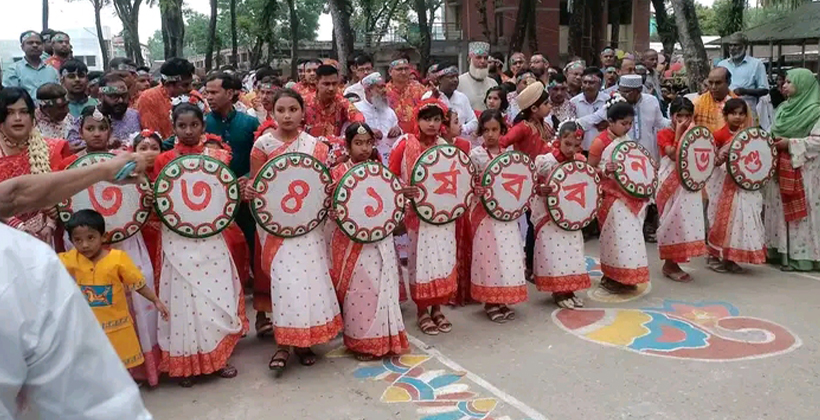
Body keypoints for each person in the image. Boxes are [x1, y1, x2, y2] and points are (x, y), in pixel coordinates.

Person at [0, 152, 154, 420]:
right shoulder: (23, 264)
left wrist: (105, 170)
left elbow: (14, 196)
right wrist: (105, 170)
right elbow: (93, 405)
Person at [149, 103, 248, 387]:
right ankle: (185, 365)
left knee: (213, 297)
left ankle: (217, 359)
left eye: (194, 125)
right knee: (182, 300)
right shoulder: (163, 160)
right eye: (182, 126)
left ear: (203, 127)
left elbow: (224, 196)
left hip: (212, 238)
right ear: (174, 128)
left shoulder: (218, 156)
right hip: (177, 239)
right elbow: (161, 202)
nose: (189, 131)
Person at [249, 89, 342, 373]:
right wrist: (249, 191)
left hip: (309, 227)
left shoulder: (316, 146)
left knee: (308, 282)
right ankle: (283, 343)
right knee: (284, 284)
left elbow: (322, 188)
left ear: (303, 112)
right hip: (278, 229)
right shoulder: (262, 146)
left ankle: (304, 342)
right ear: (272, 113)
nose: (287, 116)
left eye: (293, 109)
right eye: (281, 110)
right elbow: (257, 187)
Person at [327, 122, 410, 361]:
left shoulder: (378, 170)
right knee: (360, 290)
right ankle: (362, 343)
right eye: (358, 143)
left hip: (379, 242)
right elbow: (330, 209)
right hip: (351, 243)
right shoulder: (337, 173)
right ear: (347, 145)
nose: (364, 148)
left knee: (381, 288)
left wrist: (404, 195)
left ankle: (386, 339)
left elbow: (392, 198)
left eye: (368, 143)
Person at [59, 209, 169, 377]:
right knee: (95, 366)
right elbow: (48, 265)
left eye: (91, 238)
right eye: (78, 240)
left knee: (119, 368)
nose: (85, 245)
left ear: (103, 237)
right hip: (90, 327)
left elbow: (137, 284)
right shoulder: (72, 258)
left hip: (117, 326)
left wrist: (156, 300)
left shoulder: (118, 259)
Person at [387, 98, 456, 336]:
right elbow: (390, 175)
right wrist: (402, 190)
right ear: (417, 120)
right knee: (421, 261)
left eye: (437, 119)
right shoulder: (405, 144)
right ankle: (422, 311)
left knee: (442, 260)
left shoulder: (445, 147)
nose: (432, 124)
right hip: (417, 214)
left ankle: (437, 307)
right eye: (427, 119)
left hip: (443, 215)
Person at [469, 109, 527, 321]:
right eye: (486, 130)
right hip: (484, 216)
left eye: (495, 130)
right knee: (489, 256)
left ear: (503, 130)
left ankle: (503, 298)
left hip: (507, 215)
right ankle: (490, 301)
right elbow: (468, 183)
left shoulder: (509, 155)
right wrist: (476, 189)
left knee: (507, 256)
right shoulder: (475, 155)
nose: (491, 135)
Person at [589, 97, 652, 293]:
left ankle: (627, 275)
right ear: (611, 122)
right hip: (610, 197)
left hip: (630, 196)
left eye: (630, 124)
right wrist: (604, 170)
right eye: (623, 123)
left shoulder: (628, 142)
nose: (627, 128)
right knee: (614, 238)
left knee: (630, 239)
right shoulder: (600, 142)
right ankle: (611, 276)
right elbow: (588, 170)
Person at [765, 68, 820, 271]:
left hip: (805, 170)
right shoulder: (782, 109)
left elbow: (817, 142)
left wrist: (790, 143)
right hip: (780, 166)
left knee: (802, 214)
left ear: (803, 84)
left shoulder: (815, 111)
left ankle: (801, 257)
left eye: (789, 82)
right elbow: (772, 129)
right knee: (778, 208)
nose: (784, 85)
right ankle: (779, 252)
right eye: (784, 82)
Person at [532, 120, 590, 308]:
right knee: (554, 252)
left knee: (571, 251)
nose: (571, 149)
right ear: (559, 140)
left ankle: (570, 288)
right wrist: (540, 189)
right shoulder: (545, 161)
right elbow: (531, 184)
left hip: (571, 214)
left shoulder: (580, 162)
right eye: (567, 144)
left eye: (576, 146)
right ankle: (558, 291)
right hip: (548, 215)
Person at [499, 82, 553, 279]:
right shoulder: (522, 128)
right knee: (533, 223)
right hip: (530, 183)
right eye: (546, 103)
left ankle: (542, 263)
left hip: (547, 181)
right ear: (534, 108)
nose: (550, 107)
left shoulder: (544, 125)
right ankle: (530, 266)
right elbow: (502, 143)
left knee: (545, 222)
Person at [0, 87, 66, 245]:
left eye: (23, 112)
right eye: (9, 112)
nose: (17, 118)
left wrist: (52, 220)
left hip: (50, 236)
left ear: (32, 116)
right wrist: (18, 226)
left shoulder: (52, 148)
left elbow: (63, 190)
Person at [708, 98, 764, 273]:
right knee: (719, 218)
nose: (738, 117)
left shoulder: (749, 135)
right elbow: (711, 161)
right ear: (725, 115)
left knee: (738, 220)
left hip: (741, 185)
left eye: (741, 113)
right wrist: (720, 157)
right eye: (733, 113)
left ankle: (731, 258)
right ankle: (714, 256)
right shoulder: (718, 135)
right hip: (722, 183)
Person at [655, 97, 706, 282]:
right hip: (669, 180)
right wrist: (678, 133)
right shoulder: (663, 133)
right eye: (679, 116)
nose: (683, 120)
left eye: (687, 116)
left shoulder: (696, 133)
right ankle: (669, 264)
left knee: (684, 221)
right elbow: (672, 154)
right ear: (671, 115)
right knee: (671, 220)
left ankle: (675, 262)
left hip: (687, 181)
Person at [305, 64, 365, 166]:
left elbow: (357, 116)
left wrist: (352, 133)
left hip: (335, 152)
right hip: (308, 150)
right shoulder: (304, 102)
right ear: (316, 83)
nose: (331, 88)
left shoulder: (340, 101)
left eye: (334, 84)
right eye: (326, 84)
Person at [69, 74, 141, 150]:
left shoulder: (135, 116)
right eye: (114, 97)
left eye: (124, 96)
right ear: (100, 97)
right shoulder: (88, 116)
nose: (120, 101)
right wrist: (103, 143)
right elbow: (73, 145)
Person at [136, 57, 196, 139]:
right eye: (185, 85)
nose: (190, 89)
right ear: (169, 84)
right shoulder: (149, 98)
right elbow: (152, 136)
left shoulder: (194, 96)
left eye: (190, 83)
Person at [717, 32, 770, 121]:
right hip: (723, 112)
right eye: (730, 45)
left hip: (746, 113)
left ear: (745, 46)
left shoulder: (757, 64)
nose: (732, 48)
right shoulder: (722, 64)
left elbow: (765, 90)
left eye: (736, 45)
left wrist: (745, 91)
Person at [354, 72, 401, 162]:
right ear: (368, 90)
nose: (384, 90)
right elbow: (347, 134)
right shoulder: (355, 109)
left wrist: (398, 130)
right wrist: (367, 131)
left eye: (384, 86)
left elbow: (397, 129)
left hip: (389, 158)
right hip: (364, 158)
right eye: (380, 87)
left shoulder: (389, 111)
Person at [423, 63, 478, 137]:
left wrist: (462, 129)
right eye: (451, 77)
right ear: (440, 79)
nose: (455, 80)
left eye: (456, 77)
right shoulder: (428, 97)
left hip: (461, 142)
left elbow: (474, 121)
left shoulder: (462, 98)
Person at [3, 31, 60, 101]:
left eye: (38, 43)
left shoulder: (52, 70)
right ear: (22, 47)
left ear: (43, 47)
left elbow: (58, 94)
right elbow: (10, 97)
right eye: (30, 43)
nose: (35, 45)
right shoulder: (13, 70)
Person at [694, 67, 748, 133]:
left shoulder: (740, 105)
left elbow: (747, 132)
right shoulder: (698, 103)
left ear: (728, 82)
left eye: (718, 83)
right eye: (710, 83)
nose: (713, 87)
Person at [386, 55, 427, 134]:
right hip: (392, 137)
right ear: (390, 72)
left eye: (406, 69)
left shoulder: (419, 89)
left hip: (417, 136)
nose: (404, 72)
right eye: (399, 69)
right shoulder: (384, 92)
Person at [572, 70, 610, 152]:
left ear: (599, 85)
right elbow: (573, 126)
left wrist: (608, 124)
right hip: (581, 150)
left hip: (604, 149)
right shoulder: (574, 102)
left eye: (591, 83)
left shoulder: (608, 100)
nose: (587, 86)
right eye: (584, 82)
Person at [458, 42, 498, 111]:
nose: (482, 61)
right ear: (469, 59)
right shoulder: (459, 82)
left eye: (485, 58)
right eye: (478, 57)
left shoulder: (493, 83)